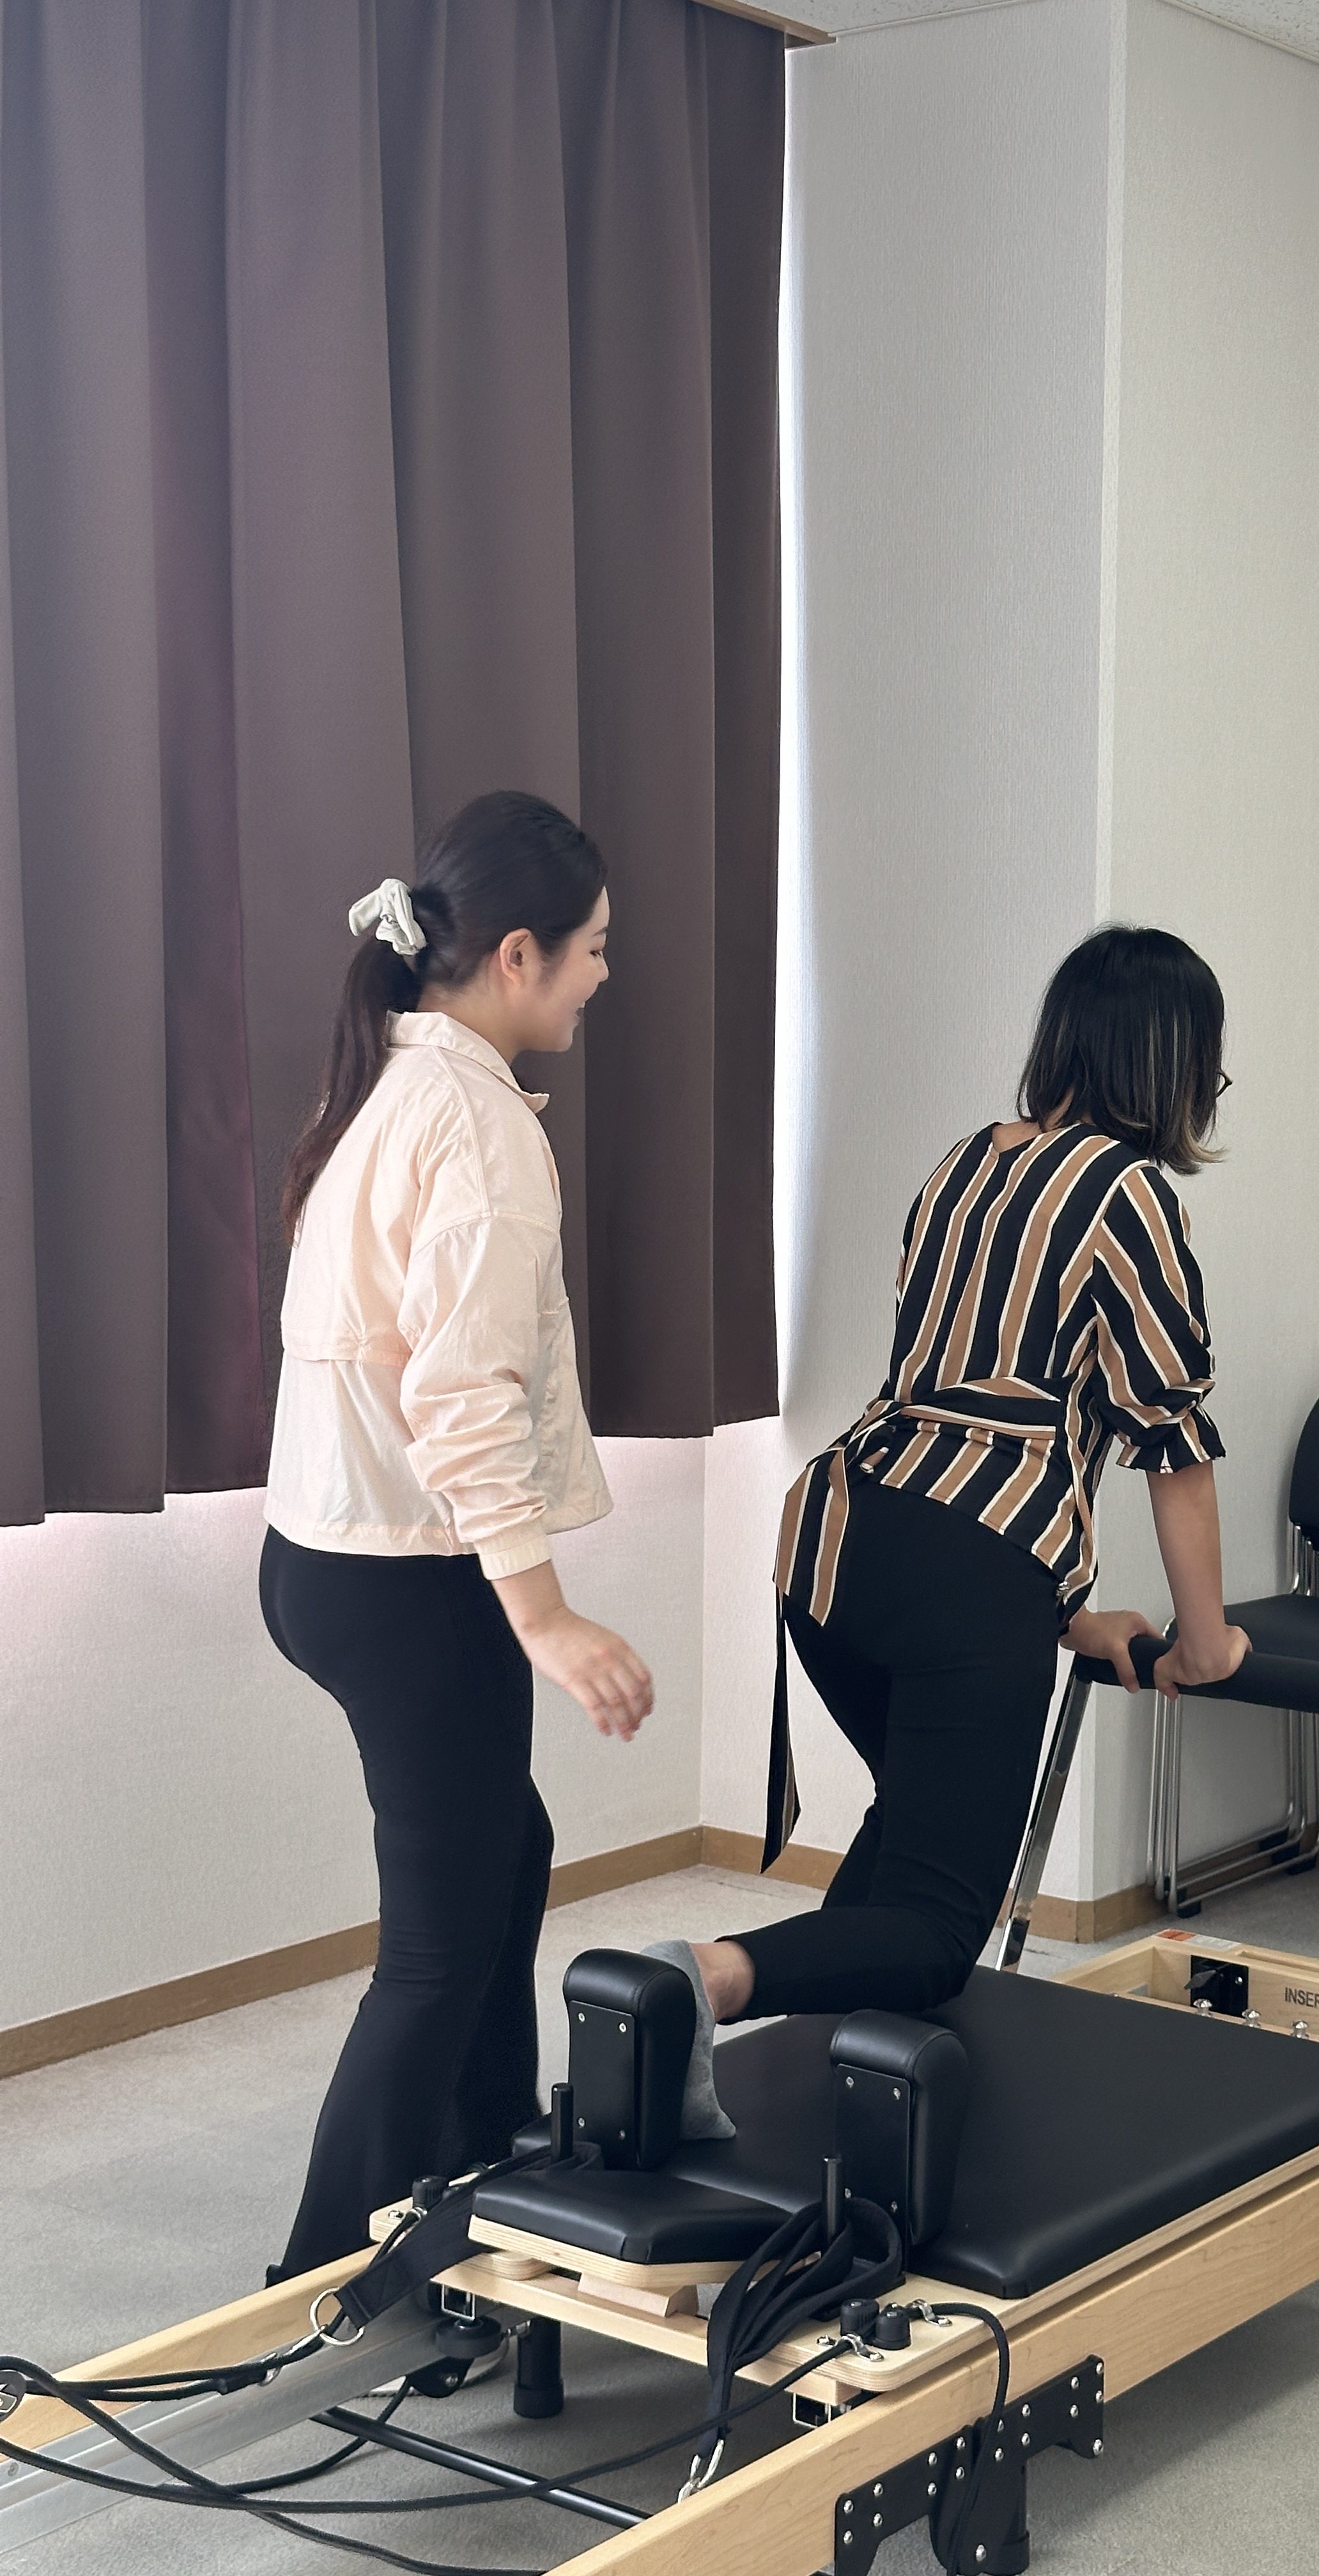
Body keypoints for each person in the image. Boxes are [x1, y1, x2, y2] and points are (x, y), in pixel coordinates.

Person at [648, 924, 1252, 2130]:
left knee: (912, 1842)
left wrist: (1075, 1619)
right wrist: (1206, 1642)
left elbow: (967, 1410)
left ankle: (776, 2095)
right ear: (1172, 1061)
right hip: (961, 1579)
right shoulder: (1127, 1192)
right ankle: (696, 1981)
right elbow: (1169, 1443)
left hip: (836, 1543)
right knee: (935, 1932)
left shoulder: (966, 1162)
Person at [259, 790, 652, 2277]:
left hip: (325, 1564)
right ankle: (320, 2285)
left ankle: (482, 2156)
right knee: (434, 1948)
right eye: (592, 947)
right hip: (406, 1584)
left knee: (507, 1846)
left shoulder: (385, 1082)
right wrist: (546, 1616)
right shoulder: (480, 1129)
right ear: (516, 955)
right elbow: (461, 1392)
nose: (605, 972)